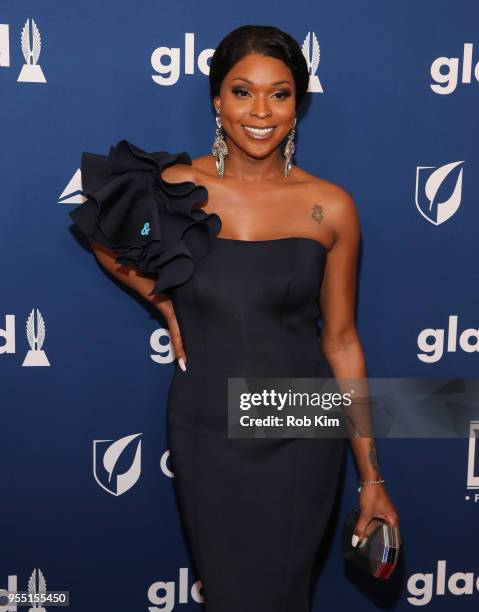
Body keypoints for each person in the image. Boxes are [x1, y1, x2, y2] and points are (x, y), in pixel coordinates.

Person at [69, 24, 400, 612]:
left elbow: (343, 341)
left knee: (283, 593)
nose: (261, 111)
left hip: (301, 424)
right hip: (207, 426)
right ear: (217, 100)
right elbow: (101, 233)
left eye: (280, 93)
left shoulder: (331, 207)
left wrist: (371, 478)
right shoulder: (176, 189)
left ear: (298, 105)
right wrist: (163, 298)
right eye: (243, 91)